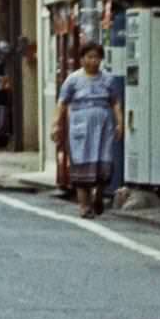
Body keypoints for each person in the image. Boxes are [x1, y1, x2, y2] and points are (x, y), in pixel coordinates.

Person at [51, 42, 124, 218]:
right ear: (82, 59)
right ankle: (84, 206)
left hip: (103, 125)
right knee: (81, 163)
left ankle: (98, 196)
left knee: (104, 163)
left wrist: (120, 123)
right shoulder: (73, 80)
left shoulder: (108, 79)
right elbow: (62, 103)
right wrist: (56, 124)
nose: (93, 61)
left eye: (97, 57)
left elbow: (115, 103)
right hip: (81, 125)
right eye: (89, 57)